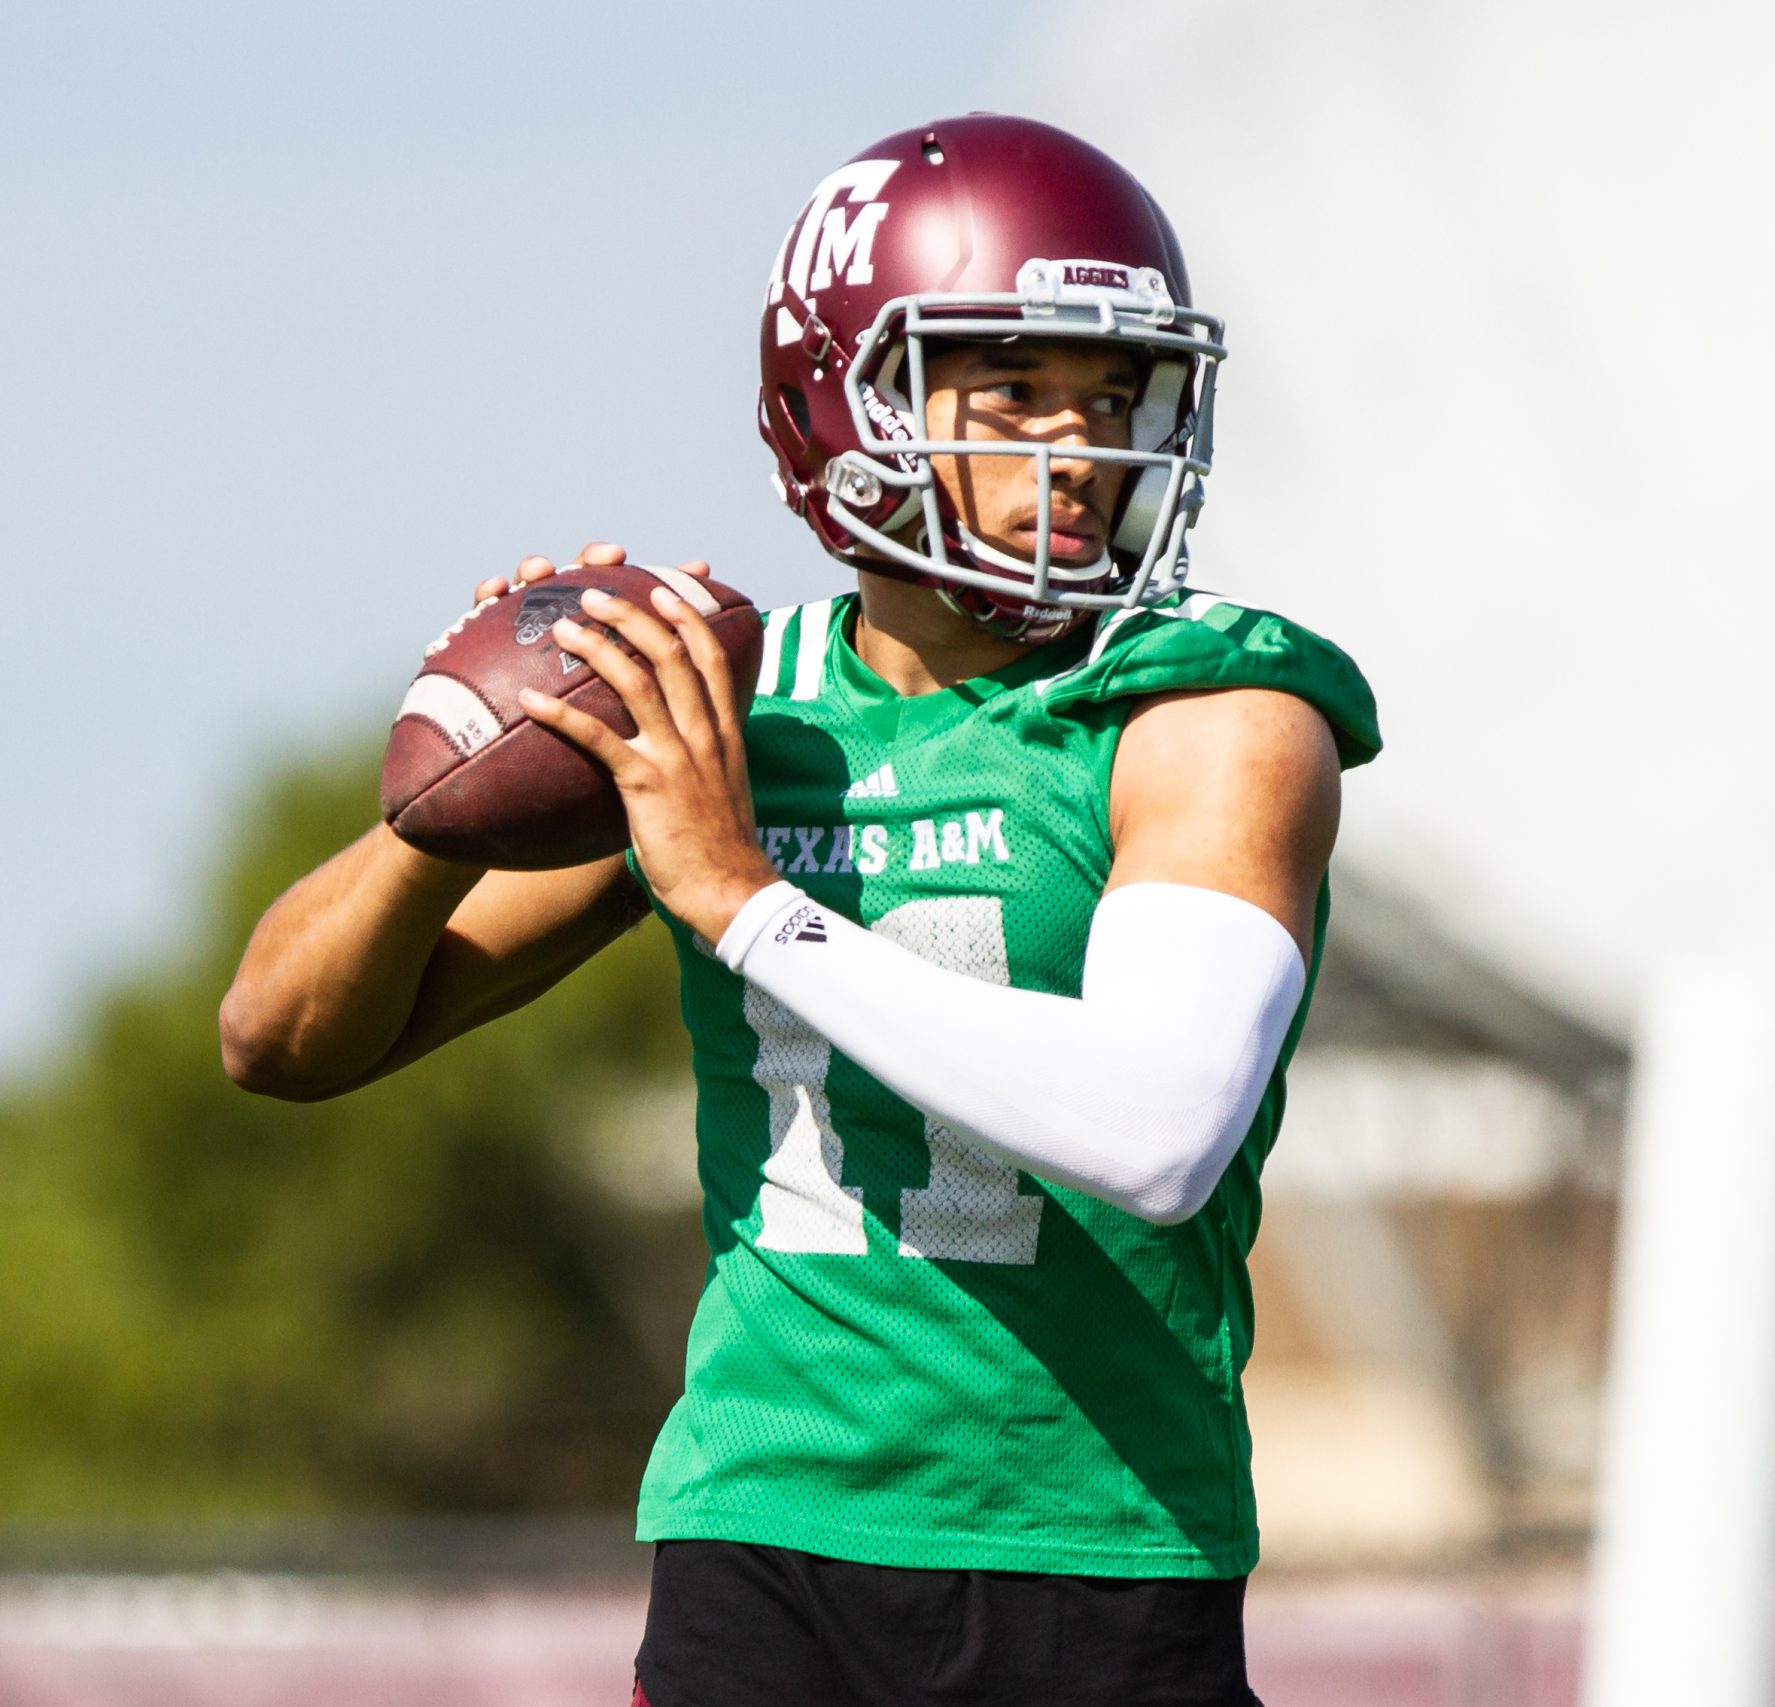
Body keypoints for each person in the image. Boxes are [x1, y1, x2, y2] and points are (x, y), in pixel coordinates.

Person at [217, 114, 1380, 1705]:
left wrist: (746, 901)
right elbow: (277, 1040)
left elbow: (1163, 1128)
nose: (1084, 447)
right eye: (1016, 392)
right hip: (760, 1538)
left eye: (1115, 396)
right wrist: (466, 786)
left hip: (1097, 1544)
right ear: (852, 400)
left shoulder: (1207, 711)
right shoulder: (728, 712)